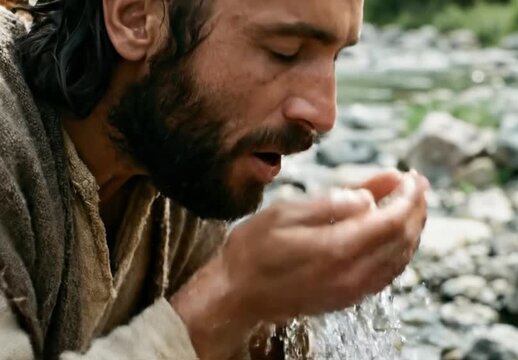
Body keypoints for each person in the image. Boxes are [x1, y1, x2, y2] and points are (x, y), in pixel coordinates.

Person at [0, 0, 429, 358]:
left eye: (335, 57)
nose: (324, 114)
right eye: (285, 50)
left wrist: (286, 299)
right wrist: (231, 293)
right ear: (135, 17)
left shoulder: (180, 158)